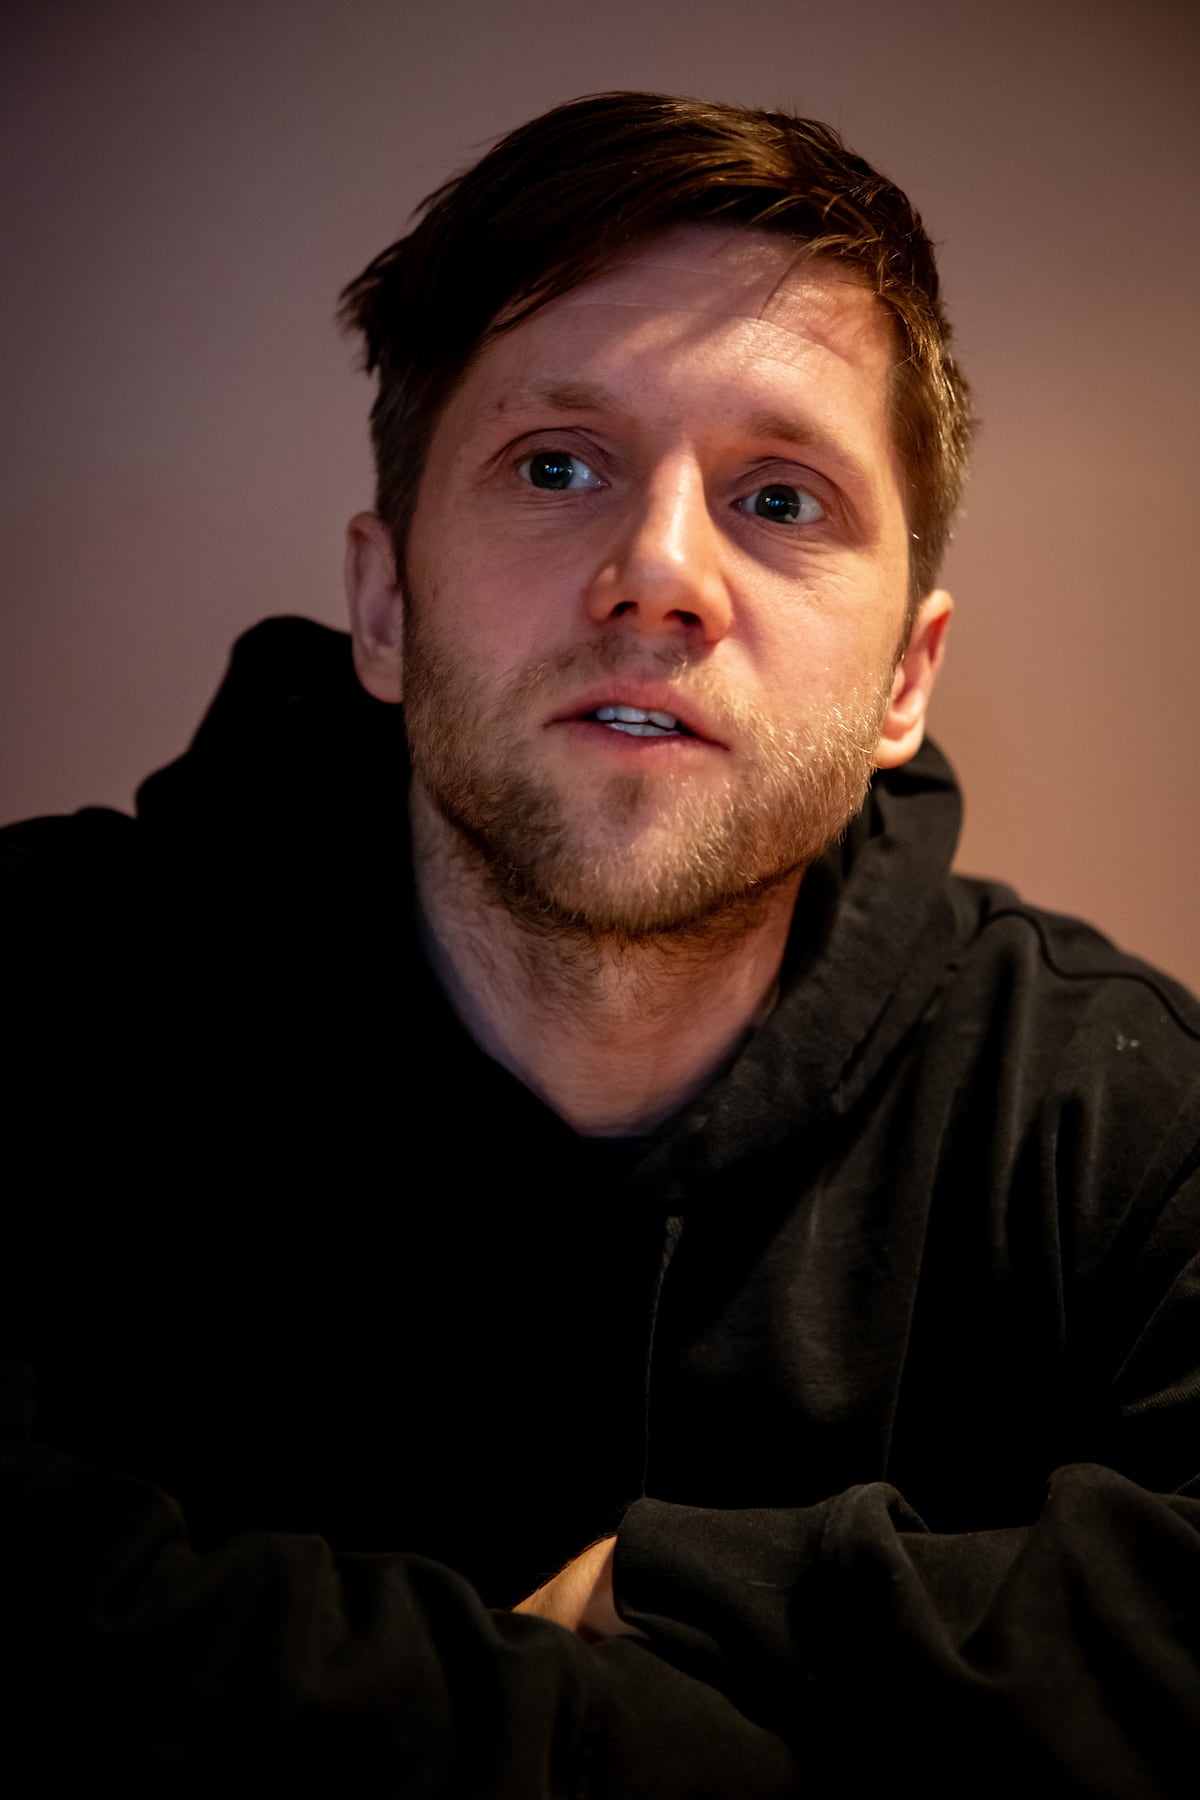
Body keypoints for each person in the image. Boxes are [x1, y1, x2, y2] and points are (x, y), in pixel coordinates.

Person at [3, 90, 1198, 1797]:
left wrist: (700, 1601)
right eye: (557, 465)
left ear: (906, 680)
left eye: (780, 497)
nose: (657, 571)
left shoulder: (1122, 1128)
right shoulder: (39, 996)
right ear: (384, 606)